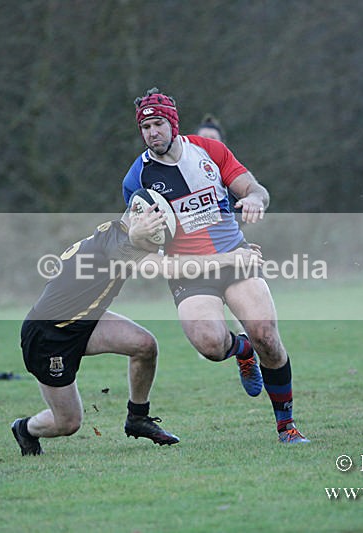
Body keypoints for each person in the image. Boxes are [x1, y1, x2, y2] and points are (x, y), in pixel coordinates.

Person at [122, 88, 310, 444]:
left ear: (173, 124)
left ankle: (286, 427)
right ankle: (242, 351)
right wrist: (137, 231)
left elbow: (254, 187)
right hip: (190, 273)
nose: (152, 133)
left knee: (267, 335)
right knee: (210, 345)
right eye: (145, 127)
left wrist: (254, 198)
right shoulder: (138, 178)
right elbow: (135, 239)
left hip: (236, 258)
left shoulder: (210, 151)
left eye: (158, 123)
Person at [11, 209, 262, 455]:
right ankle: (25, 429)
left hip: (86, 320)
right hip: (49, 335)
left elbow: (178, 255)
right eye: (157, 235)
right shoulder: (122, 246)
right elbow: (171, 268)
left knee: (144, 345)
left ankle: (137, 418)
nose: (158, 243)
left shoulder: (120, 236)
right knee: (68, 423)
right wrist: (231, 259)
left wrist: (235, 250)